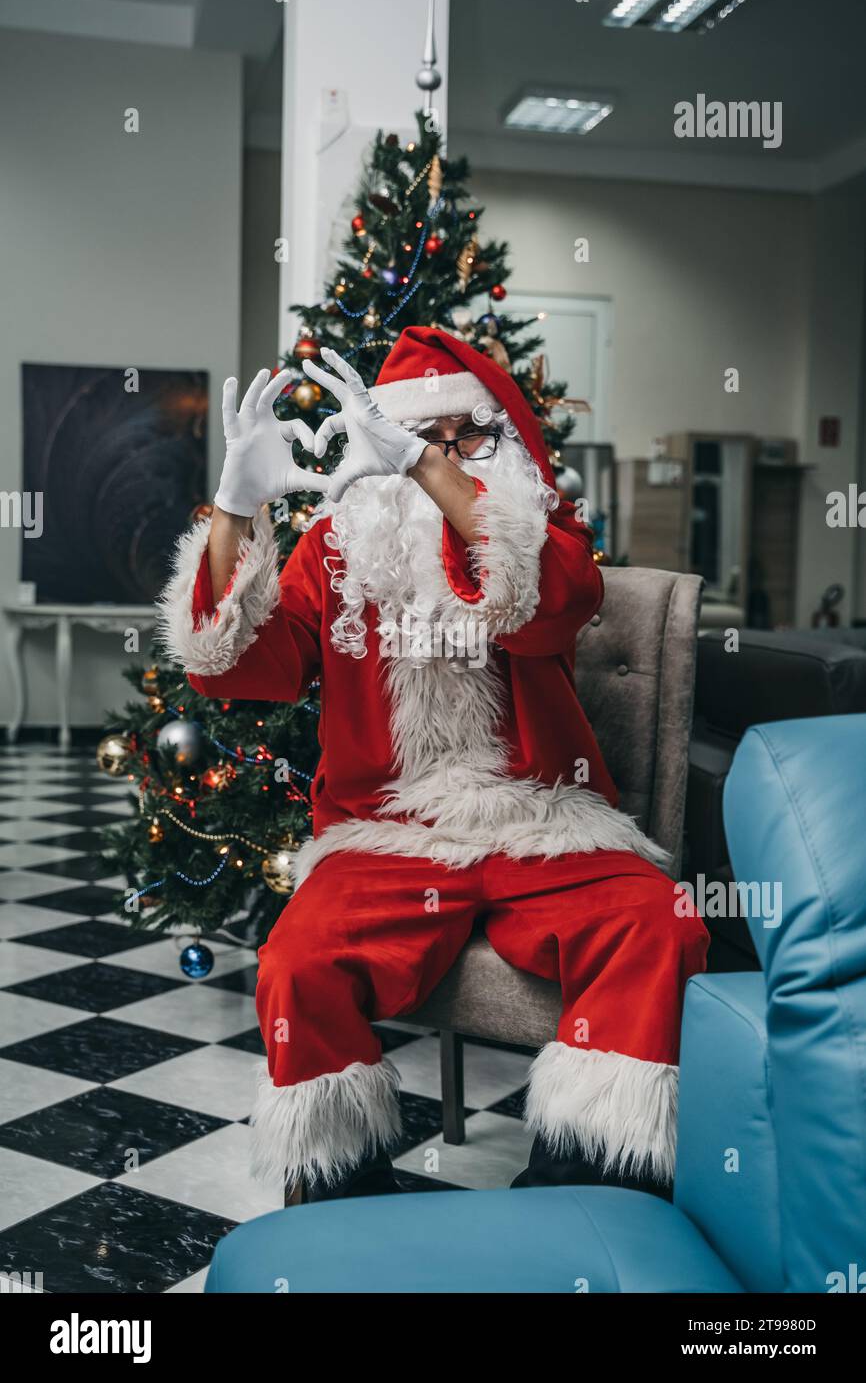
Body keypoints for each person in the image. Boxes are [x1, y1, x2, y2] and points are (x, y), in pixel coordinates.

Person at [156, 326, 708, 1204]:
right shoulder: (336, 549)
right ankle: (344, 1199)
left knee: (661, 924)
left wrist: (420, 463)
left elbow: (546, 610)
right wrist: (233, 507)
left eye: (466, 437)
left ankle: (585, 1187)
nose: (443, 455)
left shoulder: (546, 537)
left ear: (506, 442)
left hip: (543, 822)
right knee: (295, 963)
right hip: (389, 835)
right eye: (420, 435)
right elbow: (231, 667)